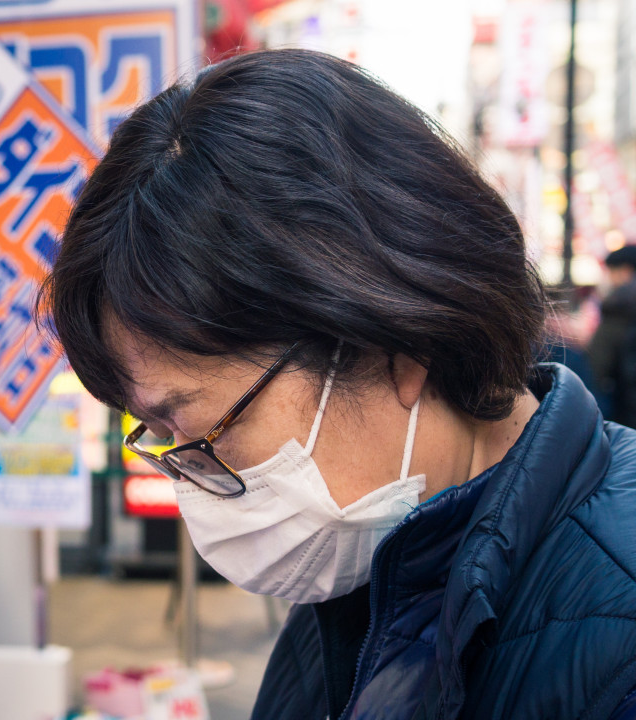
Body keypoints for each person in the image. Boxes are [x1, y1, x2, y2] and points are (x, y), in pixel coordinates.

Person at [42, 50, 636, 719]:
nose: (196, 485)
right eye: (162, 439)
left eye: (203, 432)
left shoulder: (618, 632)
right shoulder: (369, 574)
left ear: (392, 345)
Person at [589, 245, 636, 426]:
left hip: (626, 416)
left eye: (611, 272)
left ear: (625, 271)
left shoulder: (618, 304)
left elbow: (597, 365)